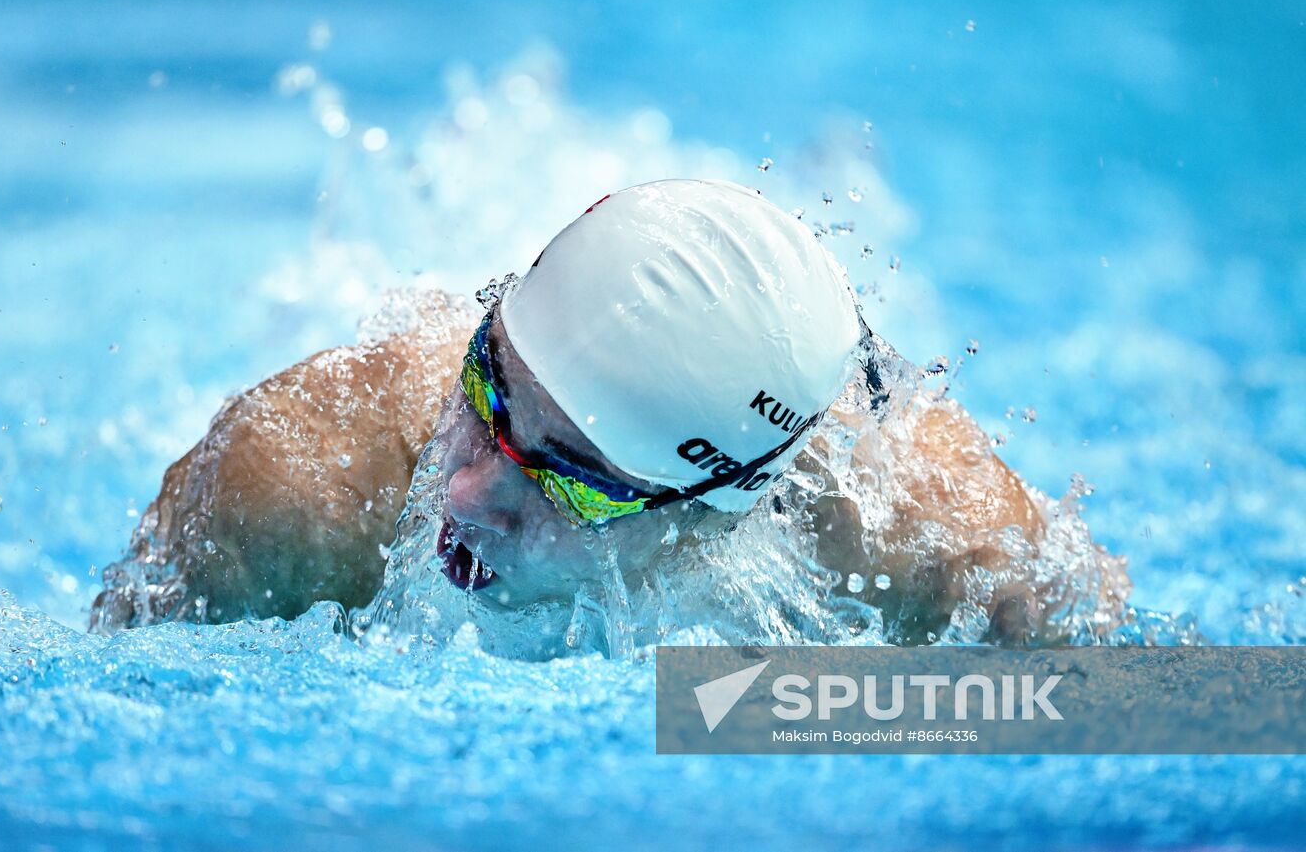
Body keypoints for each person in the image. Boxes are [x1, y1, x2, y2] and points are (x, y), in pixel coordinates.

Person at [91, 179, 1129, 644]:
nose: (465, 490)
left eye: (571, 479)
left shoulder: (926, 549)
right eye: (485, 392)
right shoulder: (294, 487)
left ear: (713, 502)